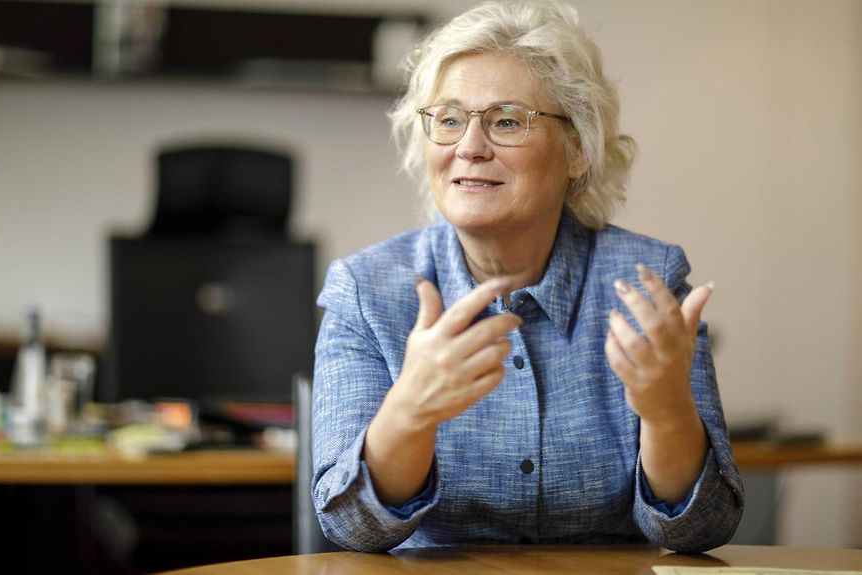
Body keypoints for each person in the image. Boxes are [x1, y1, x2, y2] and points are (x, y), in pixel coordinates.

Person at [312, 0, 743, 553]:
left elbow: (705, 528)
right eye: (449, 120)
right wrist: (411, 410)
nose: (470, 147)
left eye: (507, 121)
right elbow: (350, 528)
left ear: (578, 148)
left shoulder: (648, 285)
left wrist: (667, 413)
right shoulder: (366, 291)